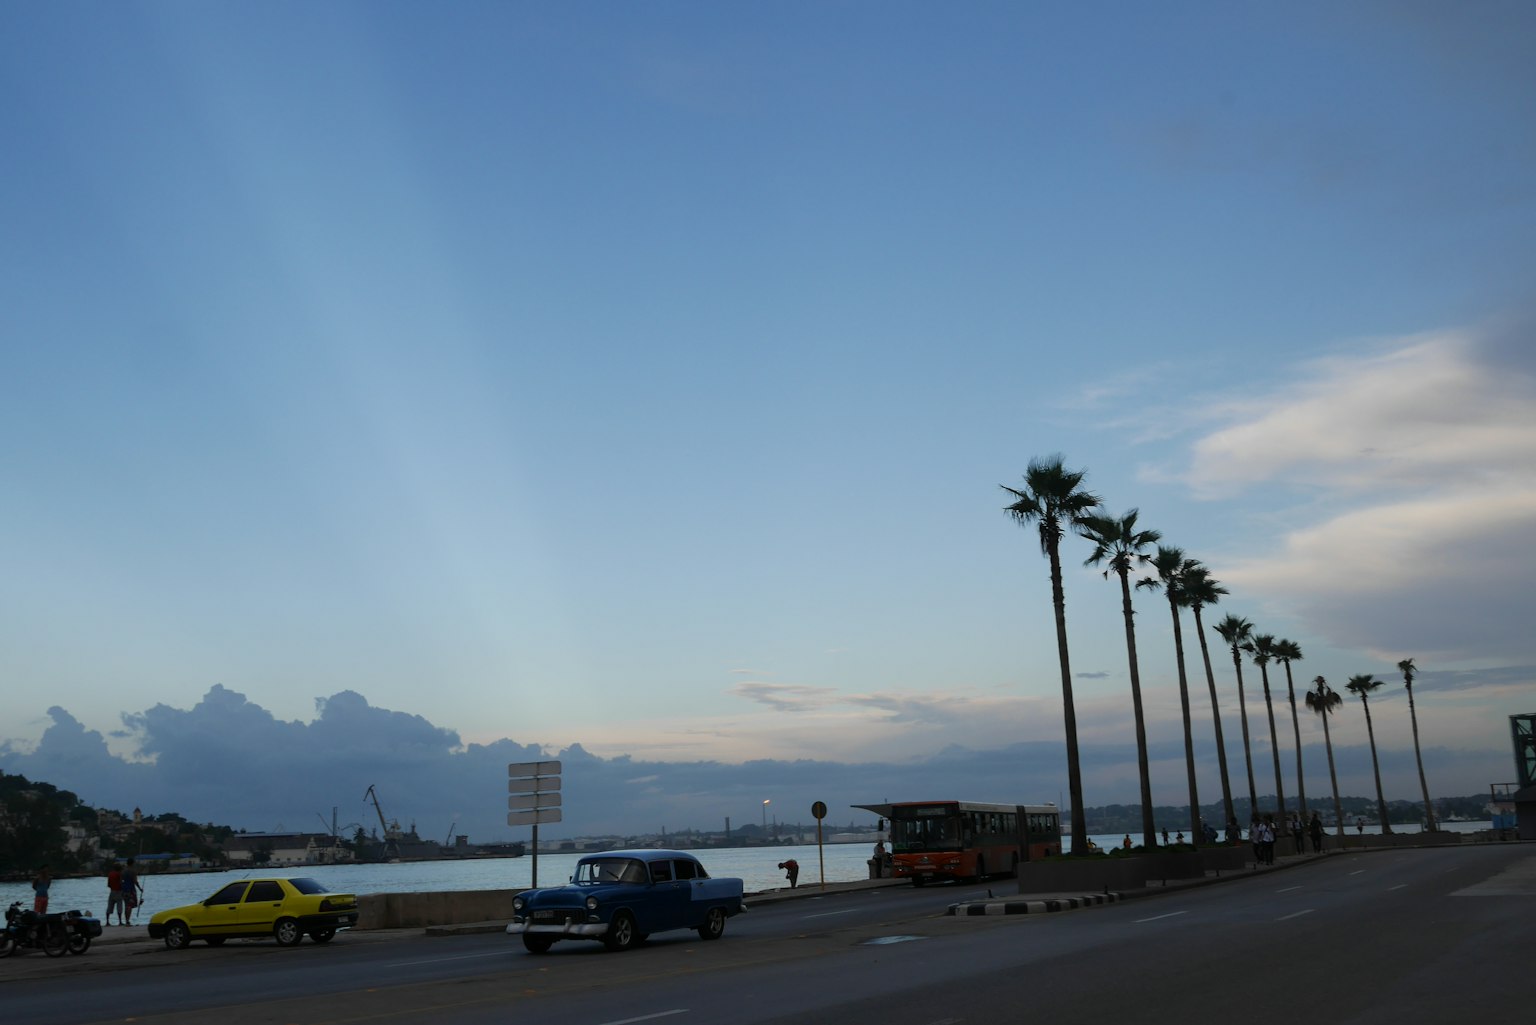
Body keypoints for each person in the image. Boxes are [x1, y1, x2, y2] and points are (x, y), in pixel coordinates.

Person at [122, 857, 144, 925]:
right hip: (131, 889)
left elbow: (121, 880)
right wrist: (140, 888)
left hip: (124, 889)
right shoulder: (133, 871)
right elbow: (135, 881)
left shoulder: (123, 871)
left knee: (126, 905)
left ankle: (126, 920)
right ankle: (127, 921)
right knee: (130, 906)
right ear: (132, 863)